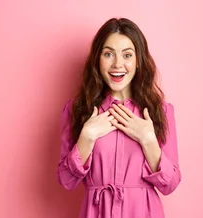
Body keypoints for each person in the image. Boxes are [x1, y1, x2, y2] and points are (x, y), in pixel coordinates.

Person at [57, 17, 181, 218]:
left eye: (127, 55)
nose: (118, 64)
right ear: (97, 59)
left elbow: (170, 184)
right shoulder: (77, 110)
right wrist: (86, 138)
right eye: (108, 54)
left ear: (138, 61)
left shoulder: (160, 111)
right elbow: (66, 180)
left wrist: (149, 140)